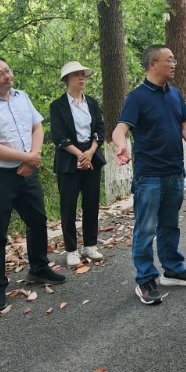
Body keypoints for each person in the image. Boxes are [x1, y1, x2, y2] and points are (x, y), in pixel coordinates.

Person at [0, 55, 65, 311]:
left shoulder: (22, 97)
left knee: (37, 221)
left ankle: (39, 268)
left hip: (27, 172)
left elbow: (37, 128)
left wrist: (32, 158)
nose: (7, 76)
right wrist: (26, 157)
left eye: (7, 70)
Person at [112, 45, 186, 305]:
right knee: (145, 229)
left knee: (170, 224)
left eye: (174, 59)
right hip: (149, 176)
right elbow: (121, 128)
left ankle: (173, 270)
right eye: (169, 60)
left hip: (174, 173)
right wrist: (121, 145)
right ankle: (145, 278)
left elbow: (184, 124)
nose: (174, 63)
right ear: (152, 64)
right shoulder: (137, 97)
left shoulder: (175, 94)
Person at [50, 61, 107, 268]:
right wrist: (80, 155)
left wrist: (90, 153)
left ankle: (90, 245)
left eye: (83, 74)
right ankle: (71, 249)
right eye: (76, 75)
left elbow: (99, 129)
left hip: (91, 157)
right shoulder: (57, 105)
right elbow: (58, 135)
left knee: (91, 203)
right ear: (66, 79)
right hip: (68, 159)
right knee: (68, 206)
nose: (82, 78)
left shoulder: (92, 103)